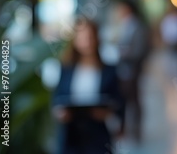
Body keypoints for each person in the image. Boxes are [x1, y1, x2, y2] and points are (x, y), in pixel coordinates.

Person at [53, 18, 125, 154]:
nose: (87, 42)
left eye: (90, 37)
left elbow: (119, 102)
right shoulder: (66, 69)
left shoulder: (109, 71)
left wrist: (108, 113)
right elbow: (57, 97)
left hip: (98, 135)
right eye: (82, 38)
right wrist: (60, 113)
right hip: (71, 136)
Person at [113, 0, 151, 142]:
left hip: (133, 70)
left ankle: (136, 130)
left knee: (134, 100)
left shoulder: (137, 26)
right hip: (123, 69)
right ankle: (125, 128)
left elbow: (140, 50)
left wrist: (124, 53)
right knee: (122, 100)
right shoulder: (123, 25)